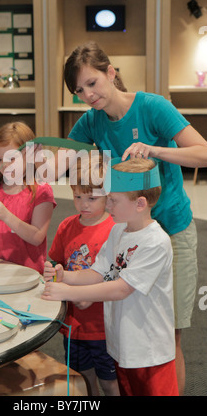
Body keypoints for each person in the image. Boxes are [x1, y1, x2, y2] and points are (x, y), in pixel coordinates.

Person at [60, 41, 207, 394]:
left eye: (92, 83)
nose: (88, 95)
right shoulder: (91, 122)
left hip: (170, 228)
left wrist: (155, 150)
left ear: (111, 73)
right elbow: (68, 161)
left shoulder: (153, 107)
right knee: (128, 330)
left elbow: (203, 153)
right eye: (79, 90)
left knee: (167, 336)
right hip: (126, 234)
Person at [42, 158, 179, 396]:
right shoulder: (118, 230)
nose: (107, 206)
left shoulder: (155, 242)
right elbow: (98, 272)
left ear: (140, 203)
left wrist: (68, 292)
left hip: (149, 350)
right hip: (121, 344)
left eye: (113, 200)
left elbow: (121, 288)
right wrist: (67, 277)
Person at [48, 152, 119, 396]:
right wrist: (55, 271)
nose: (83, 204)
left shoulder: (116, 229)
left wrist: (91, 296)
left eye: (92, 197)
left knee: (110, 382)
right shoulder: (67, 226)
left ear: (109, 197)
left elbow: (120, 276)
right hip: (73, 325)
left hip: (105, 327)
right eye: (78, 196)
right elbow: (58, 262)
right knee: (83, 379)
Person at [0, 121, 56, 274]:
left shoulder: (41, 191)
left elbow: (37, 237)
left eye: (11, 159)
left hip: (26, 274)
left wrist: (6, 216)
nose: (5, 165)